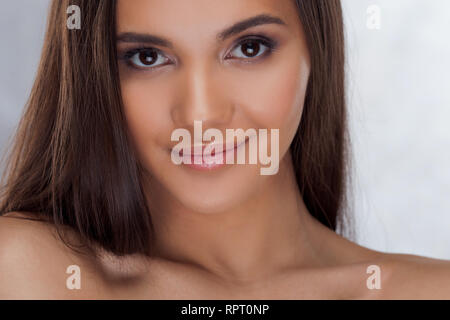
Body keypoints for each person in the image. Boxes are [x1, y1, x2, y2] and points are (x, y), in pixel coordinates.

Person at [0, 0, 449, 299]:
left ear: (317, 50)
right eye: (147, 57)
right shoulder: (32, 272)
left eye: (249, 48)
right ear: (93, 73)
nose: (201, 115)